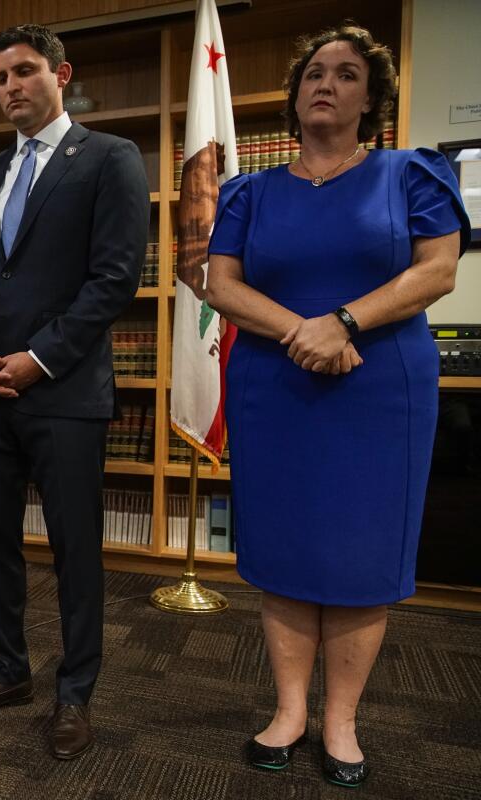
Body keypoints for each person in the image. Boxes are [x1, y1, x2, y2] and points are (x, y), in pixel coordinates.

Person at [205, 24, 468, 789]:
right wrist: (303, 330)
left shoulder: (409, 173)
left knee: (360, 552)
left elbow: (439, 270)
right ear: (293, 96)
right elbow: (222, 285)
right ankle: (288, 711)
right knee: (285, 549)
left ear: (371, 99)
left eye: (347, 74)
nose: (327, 83)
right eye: (314, 72)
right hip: (276, 384)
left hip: (379, 387)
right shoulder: (249, 191)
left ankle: (342, 720)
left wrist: (345, 322)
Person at [0, 24, 148, 760]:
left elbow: (115, 278)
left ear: (61, 74)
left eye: (24, 72)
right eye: (0, 78)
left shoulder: (111, 159)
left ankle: (74, 694)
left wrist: (37, 359)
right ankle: (8, 672)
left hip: (62, 393)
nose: (11, 88)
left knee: (74, 552)